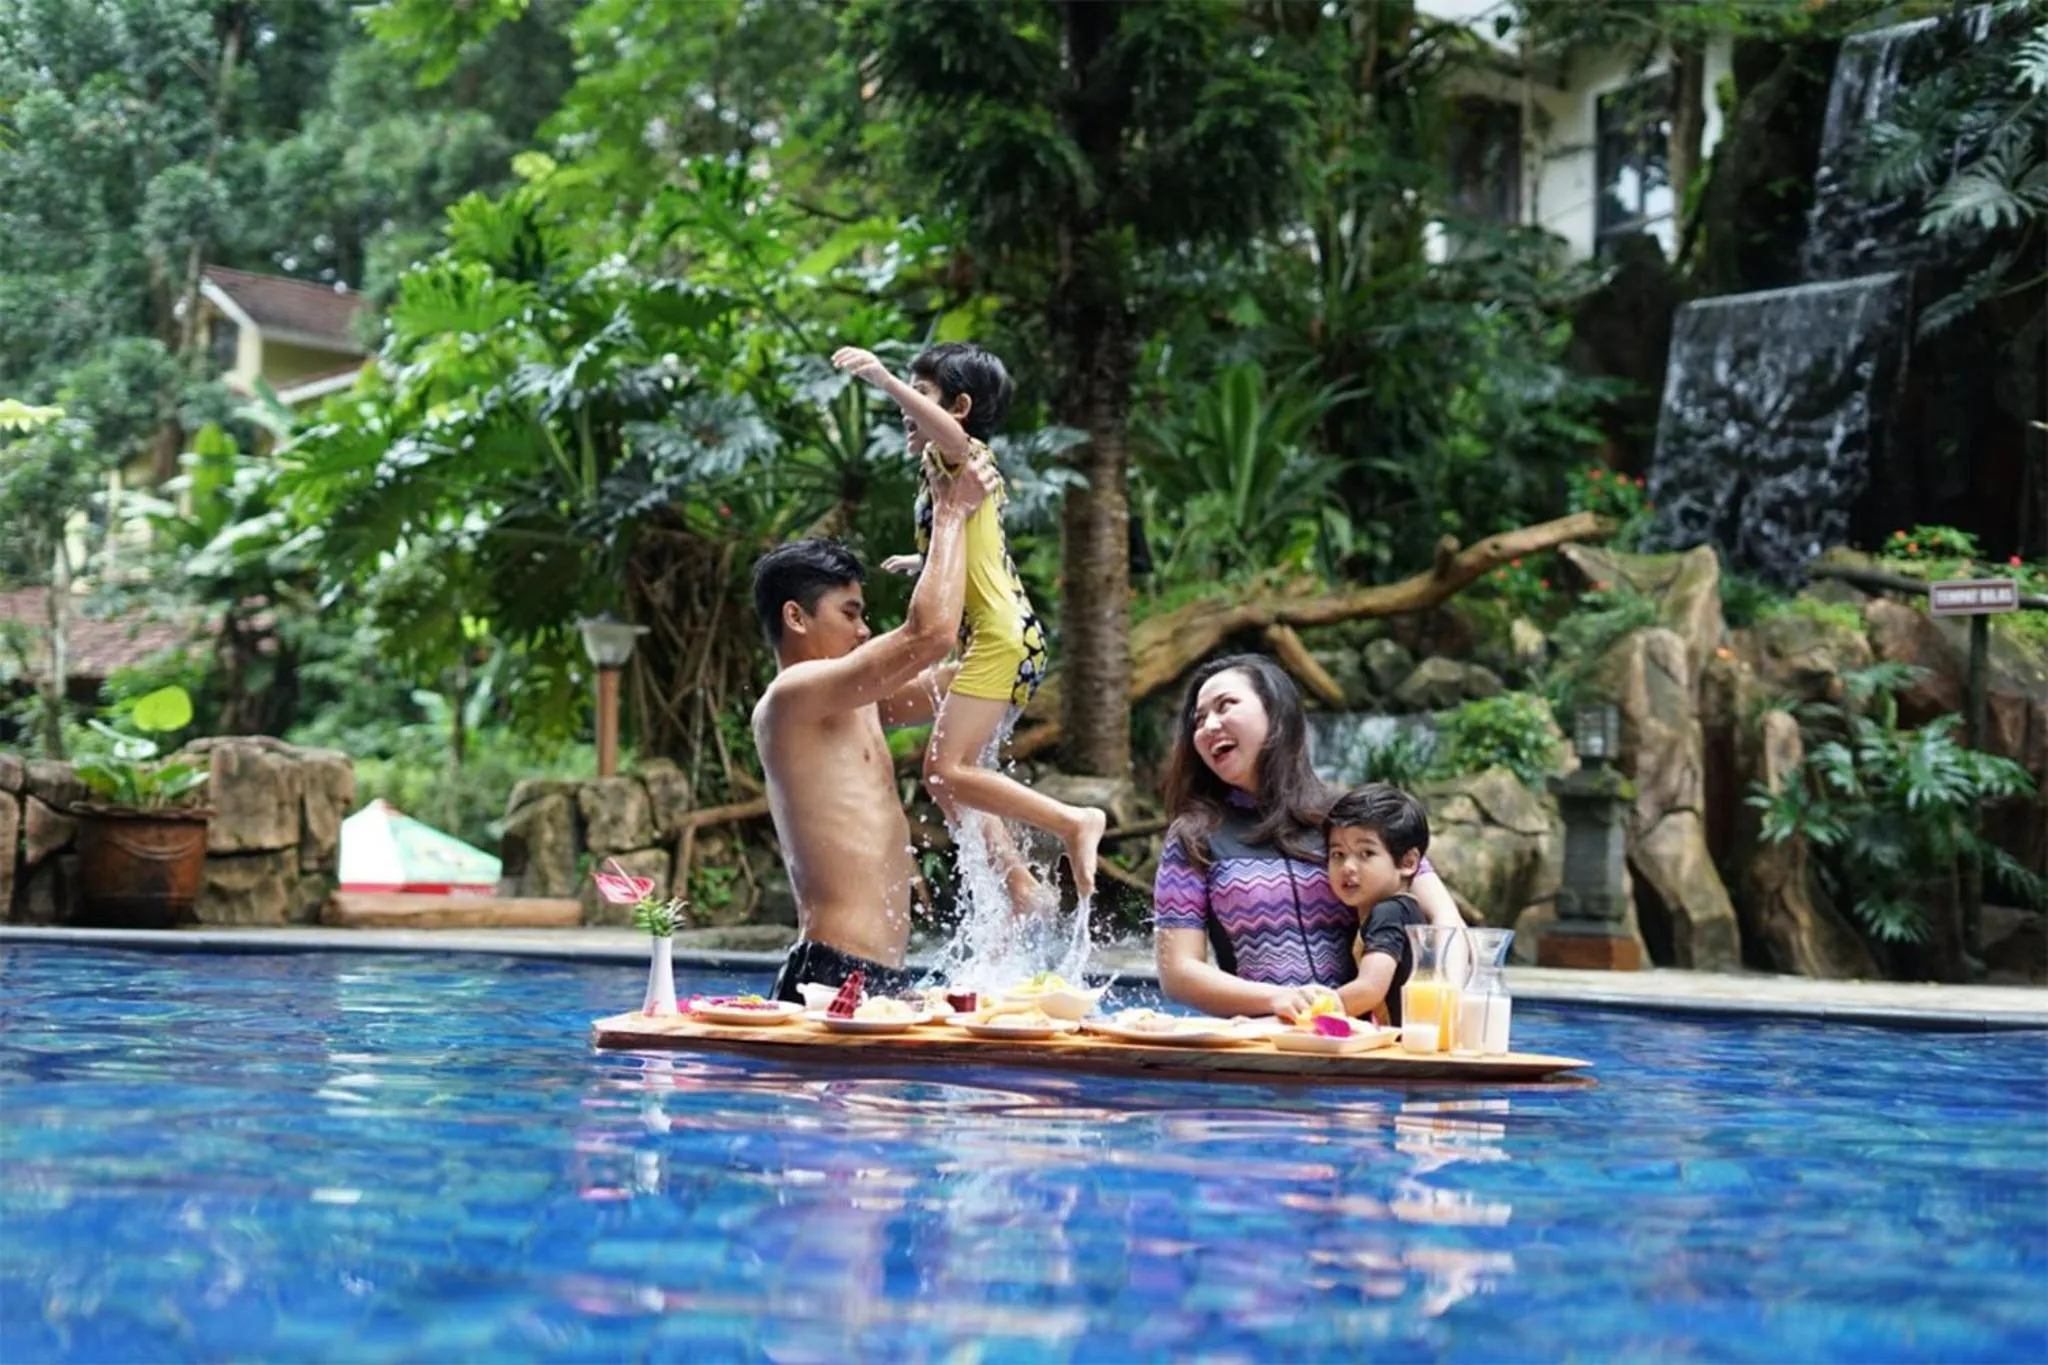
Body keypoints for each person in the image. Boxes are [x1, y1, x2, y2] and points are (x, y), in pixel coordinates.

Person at [829, 340, 1105, 907]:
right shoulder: (941, 468)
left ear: (958, 407)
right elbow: (977, 548)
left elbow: (954, 440)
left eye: (920, 394)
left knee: (944, 771)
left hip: (1001, 641)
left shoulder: (964, 454)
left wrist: (883, 379)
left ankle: (1074, 820)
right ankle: (1019, 886)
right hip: (995, 640)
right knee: (879, 707)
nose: (905, 409)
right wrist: (921, 560)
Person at [749, 444, 1000, 1003]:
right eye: (850, 613)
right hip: (830, 971)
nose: (863, 630)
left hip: (879, 976)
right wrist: (950, 511)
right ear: (795, 617)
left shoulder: (857, 701)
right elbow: (927, 636)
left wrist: (1015, 638)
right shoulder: (789, 698)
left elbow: (962, 676)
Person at [1151, 653, 1465, 1020]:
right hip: (1265, 1038)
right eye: (1199, 719)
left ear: (1275, 711)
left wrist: (1446, 1006)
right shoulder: (1193, 837)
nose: (1208, 726)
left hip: (1361, 1040)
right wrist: (1279, 1000)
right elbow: (1178, 972)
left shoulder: (1352, 817)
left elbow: (1445, 918)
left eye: (1225, 706)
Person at [1325, 781, 1432, 1025]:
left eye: (1366, 853)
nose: (1347, 867)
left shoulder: (1389, 912)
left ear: (1408, 862)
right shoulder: (1405, 910)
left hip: (1404, 1047)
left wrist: (1297, 1016)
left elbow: (1369, 989)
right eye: (1338, 854)